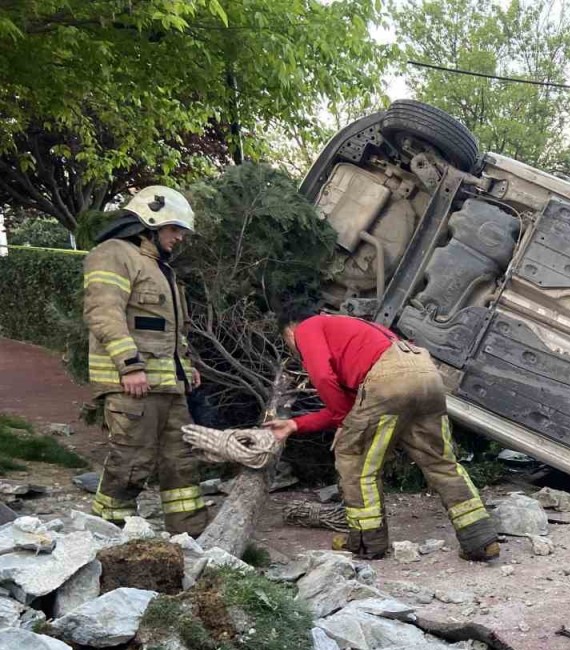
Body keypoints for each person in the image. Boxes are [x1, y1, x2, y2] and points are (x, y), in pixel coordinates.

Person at [264, 311, 499, 561]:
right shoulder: (354, 332)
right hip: (425, 375)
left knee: (355, 460)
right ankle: (480, 539)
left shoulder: (306, 327)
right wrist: (294, 424)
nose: (295, 352)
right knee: (441, 462)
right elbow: (352, 409)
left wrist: (344, 421)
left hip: (387, 382)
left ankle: (368, 542)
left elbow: (323, 377)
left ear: (289, 331)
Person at [84, 185, 208, 534]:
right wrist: (130, 365)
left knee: (181, 463)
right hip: (133, 386)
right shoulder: (113, 255)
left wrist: (186, 367)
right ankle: (106, 534)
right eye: (174, 229)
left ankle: (191, 537)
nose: (180, 238)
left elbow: (164, 330)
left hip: (170, 386)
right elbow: (103, 313)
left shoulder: (158, 268)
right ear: (150, 223)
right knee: (131, 462)